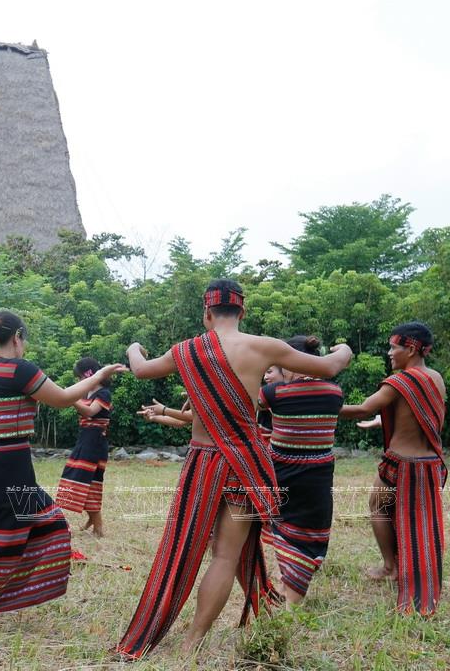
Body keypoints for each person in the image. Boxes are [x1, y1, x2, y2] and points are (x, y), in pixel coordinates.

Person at [115, 279, 352, 659]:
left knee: (183, 548)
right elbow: (329, 366)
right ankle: (194, 639)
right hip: (247, 464)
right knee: (226, 556)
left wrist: (133, 347)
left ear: (206, 314)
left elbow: (140, 369)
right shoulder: (265, 347)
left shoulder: (186, 351)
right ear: (242, 311)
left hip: (203, 463)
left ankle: (165, 628)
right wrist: (346, 348)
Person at [0, 310, 125, 638]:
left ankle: (6, 596)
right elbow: (64, 397)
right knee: (8, 545)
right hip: (7, 469)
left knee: (49, 525)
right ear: (17, 338)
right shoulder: (19, 369)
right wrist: (101, 375)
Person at [339, 321, 447, 616]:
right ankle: (412, 571)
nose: (389, 353)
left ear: (410, 349)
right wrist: (382, 421)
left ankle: (391, 567)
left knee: (378, 507)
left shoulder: (401, 381)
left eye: (393, 347)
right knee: (421, 523)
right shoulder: (435, 378)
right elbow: (420, 417)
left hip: (400, 463)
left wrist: (315, 404)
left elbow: (362, 408)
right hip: (428, 465)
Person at [257, 336, 343, 605]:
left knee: (284, 532)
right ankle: (289, 587)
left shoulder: (274, 395)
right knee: (309, 536)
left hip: (281, 477)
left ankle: (290, 596)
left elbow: (249, 403)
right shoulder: (334, 393)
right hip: (317, 482)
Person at [56, 357, 114, 537]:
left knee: (87, 482)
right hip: (84, 440)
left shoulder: (103, 394)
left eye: (79, 377)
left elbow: (89, 412)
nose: (79, 381)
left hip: (95, 443)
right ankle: (92, 520)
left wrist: (69, 396)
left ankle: (98, 527)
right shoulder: (85, 394)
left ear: (88, 374)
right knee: (80, 480)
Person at [257, 365, 284, 442]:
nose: (265, 377)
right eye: (264, 374)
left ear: (285, 372)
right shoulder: (262, 394)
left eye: (269, 372)